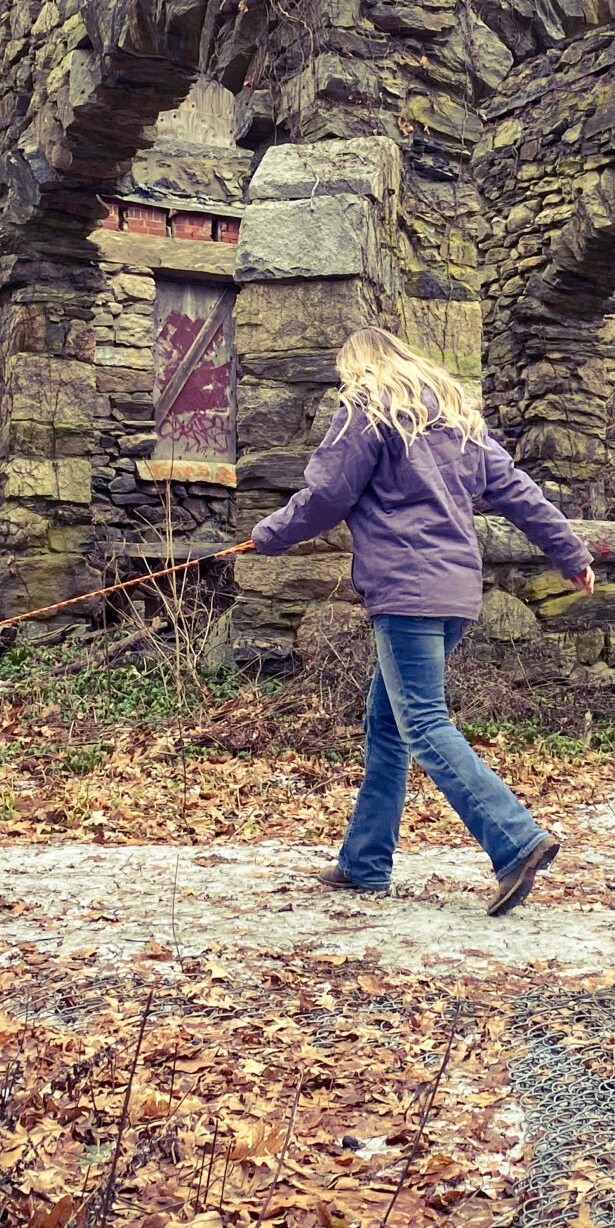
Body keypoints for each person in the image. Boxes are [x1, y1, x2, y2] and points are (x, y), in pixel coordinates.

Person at [248, 327, 593, 915]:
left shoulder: (365, 409)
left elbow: (328, 493)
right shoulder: (460, 422)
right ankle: (365, 863)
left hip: (407, 593)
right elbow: (519, 492)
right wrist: (571, 552)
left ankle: (515, 840)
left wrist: (269, 536)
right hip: (455, 595)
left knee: (425, 723)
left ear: (358, 367)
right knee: (388, 724)